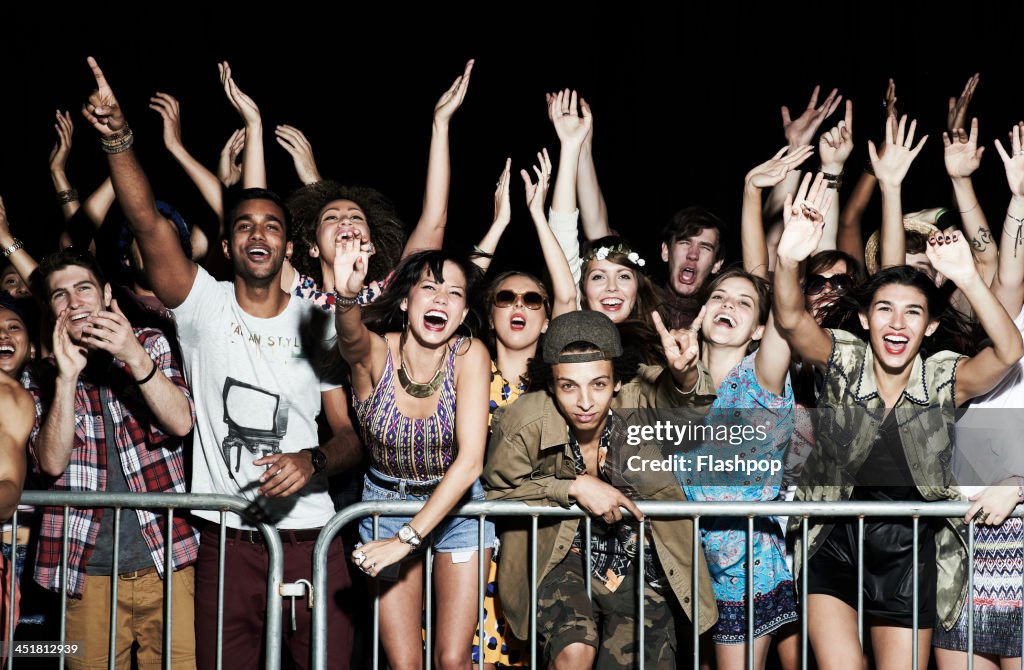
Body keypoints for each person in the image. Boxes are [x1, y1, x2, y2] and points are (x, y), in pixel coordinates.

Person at [81, 56, 360, 669]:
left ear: (288, 244)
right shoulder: (202, 302)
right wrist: (119, 140)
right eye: (245, 226)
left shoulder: (318, 318)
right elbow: (146, 222)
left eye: (272, 227)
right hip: (227, 539)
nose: (259, 235)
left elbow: (348, 439)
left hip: (313, 539)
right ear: (228, 242)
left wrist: (310, 460)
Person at [773, 172, 1024, 670]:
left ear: (930, 326)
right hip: (834, 543)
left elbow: (1009, 350)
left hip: (910, 552)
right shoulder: (843, 360)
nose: (896, 322)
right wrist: (787, 258)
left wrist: (969, 276)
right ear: (865, 319)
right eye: (884, 309)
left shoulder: (941, 377)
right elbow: (792, 320)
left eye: (913, 313)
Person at [483, 309, 719, 668]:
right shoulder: (523, 421)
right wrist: (573, 486)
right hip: (562, 554)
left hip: (637, 561)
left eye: (598, 384)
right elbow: (496, 492)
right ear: (550, 384)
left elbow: (683, 407)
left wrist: (685, 376)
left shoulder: (640, 400)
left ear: (619, 381)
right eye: (568, 386)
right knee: (574, 652)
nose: (585, 402)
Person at [27, 249, 198, 670]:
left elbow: (180, 422)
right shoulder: (42, 375)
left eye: (83, 288)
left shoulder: (151, 344)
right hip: (86, 573)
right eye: (60, 295)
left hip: (167, 562)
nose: (74, 302)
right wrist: (66, 379)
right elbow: (50, 463)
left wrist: (133, 356)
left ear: (105, 294)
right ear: (51, 311)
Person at [333, 237, 494, 669]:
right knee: (404, 664)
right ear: (405, 301)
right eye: (429, 287)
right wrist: (346, 296)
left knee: (452, 659)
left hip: (457, 508)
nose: (441, 298)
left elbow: (470, 462)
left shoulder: (470, 356)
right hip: (387, 504)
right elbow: (350, 339)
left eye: (454, 293)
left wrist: (408, 539)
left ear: (462, 314)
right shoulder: (376, 353)